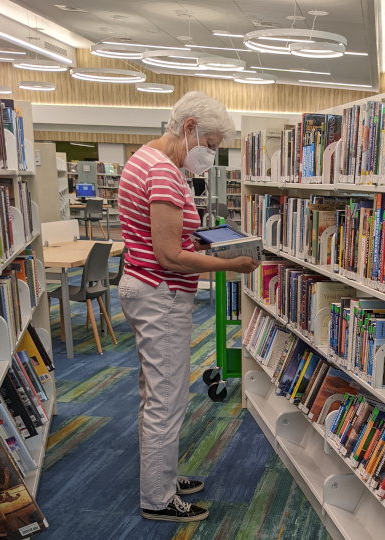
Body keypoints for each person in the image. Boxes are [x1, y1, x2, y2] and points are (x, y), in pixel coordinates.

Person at [118, 91, 260, 523]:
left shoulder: (148, 159)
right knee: (167, 398)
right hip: (160, 293)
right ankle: (158, 499)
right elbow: (168, 255)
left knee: (156, 394)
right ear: (189, 127)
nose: (211, 155)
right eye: (212, 145)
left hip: (148, 289)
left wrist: (204, 239)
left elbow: (170, 238)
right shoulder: (162, 171)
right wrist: (228, 262)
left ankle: (161, 477)